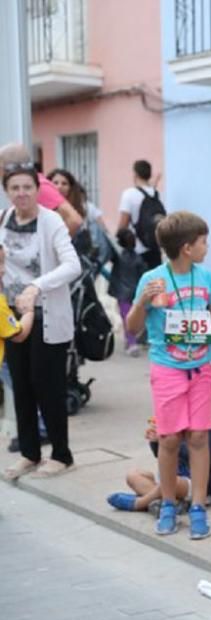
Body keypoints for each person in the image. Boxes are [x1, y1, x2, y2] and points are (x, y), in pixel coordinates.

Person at [125, 211, 211, 539]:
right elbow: (132, 327)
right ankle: (168, 503)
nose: (207, 246)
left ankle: (198, 505)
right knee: (169, 439)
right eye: (203, 242)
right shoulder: (153, 279)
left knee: (199, 437)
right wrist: (142, 302)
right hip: (167, 369)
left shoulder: (206, 278)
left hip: (201, 370)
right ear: (186, 247)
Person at [0, 163, 81, 480]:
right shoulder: (5, 219)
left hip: (47, 316)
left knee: (47, 386)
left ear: (38, 189)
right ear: (7, 191)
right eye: (14, 188)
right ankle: (30, 453)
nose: (21, 194)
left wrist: (37, 286)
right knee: (19, 385)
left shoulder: (51, 222)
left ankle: (62, 454)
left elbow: (72, 265)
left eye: (27, 187)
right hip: (13, 315)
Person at [106, 417, 211, 513]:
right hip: (169, 478)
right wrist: (156, 441)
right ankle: (171, 502)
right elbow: (160, 455)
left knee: (170, 482)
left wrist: (172, 442)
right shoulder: (171, 420)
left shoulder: (204, 423)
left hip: (196, 484)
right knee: (133, 475)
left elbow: (201, 453)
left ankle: (140, 503)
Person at [0, 144, 82, 235]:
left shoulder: (38, 185)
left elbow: (75, 220)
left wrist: (53, 244)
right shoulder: (28, 184)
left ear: (10, 168)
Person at [47, 168, 112, 268]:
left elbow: (102, 228)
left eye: (64, 183)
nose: (59, 186)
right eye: (55, 183)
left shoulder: (84, 207)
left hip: (78, 260)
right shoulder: (42, 208)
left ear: (70, 187)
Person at [117, 159, 164, 271]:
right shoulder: (155, 194)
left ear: (135, 174)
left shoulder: (129, 194)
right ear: (149, 174)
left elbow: (123, 225)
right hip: (155, 248)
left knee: (140, 286)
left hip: (137, 250)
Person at [109, 228, 147, 356]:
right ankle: (130, 341)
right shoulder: (138, 259)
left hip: (122, 293)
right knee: (132, 317)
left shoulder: (118, 258)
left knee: (126, 317)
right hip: (135, 292)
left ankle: (132, 343)